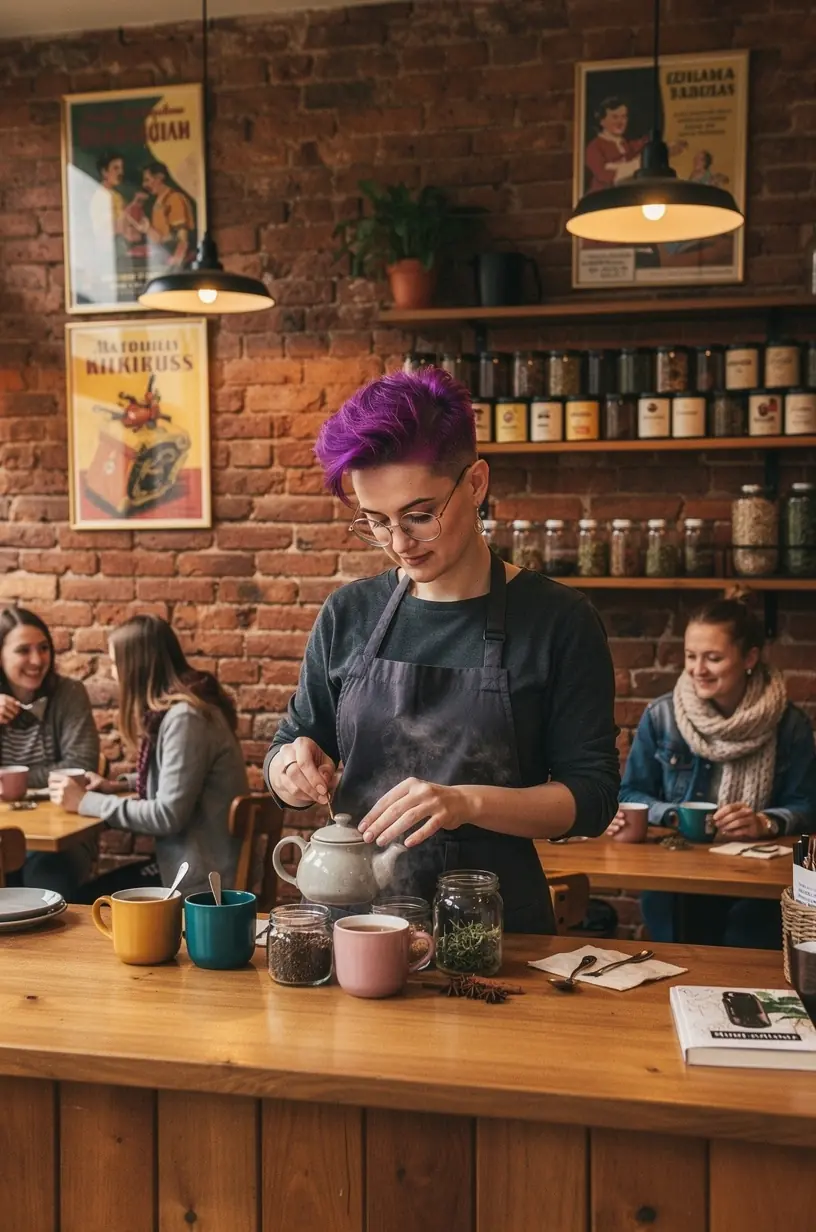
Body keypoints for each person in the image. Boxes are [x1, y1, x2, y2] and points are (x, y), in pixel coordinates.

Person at [264, 369, 619, 933]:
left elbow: (592, 797)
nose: (399, 543)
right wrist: (288, 768)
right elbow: (292, 741)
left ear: (476, 483)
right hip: (356, 926)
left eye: (419, 515)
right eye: (376, 522)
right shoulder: (348, 614)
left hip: (495, 930)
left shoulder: (559, 621)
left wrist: (466, 802)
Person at [613, 599, 816, 948]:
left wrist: (765, 822)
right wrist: (678, 816)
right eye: (691, 656)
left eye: (713, 657)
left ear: (749, 659)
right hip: (676, 875)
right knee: (676, 931)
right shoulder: (663, 716)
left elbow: (807, 806)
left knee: (749, 942)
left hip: (756, 884)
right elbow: (631, 793)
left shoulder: (789, 724)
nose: (698, 669)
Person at [49, 616, 247, 898]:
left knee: (77, 901)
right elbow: (181, 778)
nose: (113, 674)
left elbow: (167, 816)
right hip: (197, 866)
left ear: (136, 668)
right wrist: (118, 785)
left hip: (200, 881)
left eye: (116, 664)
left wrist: (84, 802)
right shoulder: (189, 709)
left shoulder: (186, 718)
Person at [0, 606, 100, 899]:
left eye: (43, 648)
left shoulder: (68, 693)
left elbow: (80, 766)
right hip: (5, 830)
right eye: (23, 650)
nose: (36, 660)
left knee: (46, 881)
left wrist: (12, 780)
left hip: (60, 834)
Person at [137, 161, 195, 270]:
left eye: (147, 180)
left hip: (173, 258)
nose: (144, 185)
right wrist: (147, 229)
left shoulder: (174, 199)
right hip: (161, 256)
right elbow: (159, 237)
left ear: (160, 178)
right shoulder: (159, 201)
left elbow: (182, 238)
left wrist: (176, 262)